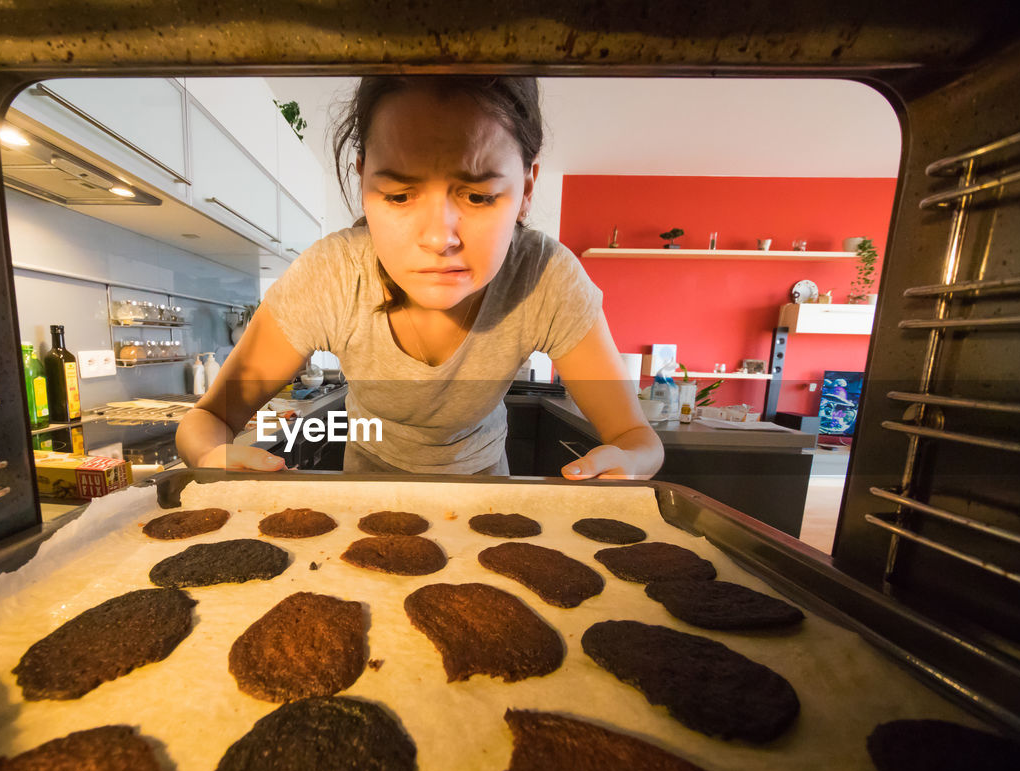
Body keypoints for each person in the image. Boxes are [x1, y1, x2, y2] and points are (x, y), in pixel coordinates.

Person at [176, 76, 663, 479]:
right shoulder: (331, 276)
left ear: (527, 188)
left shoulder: (547, 278)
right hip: (367, 484)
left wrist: (630, 461)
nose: (437, 239)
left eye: (477, 197)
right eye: (399, 195)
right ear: (365, 182)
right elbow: (207, 420)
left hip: (485, 486)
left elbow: (636, 438)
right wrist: (209, 454)